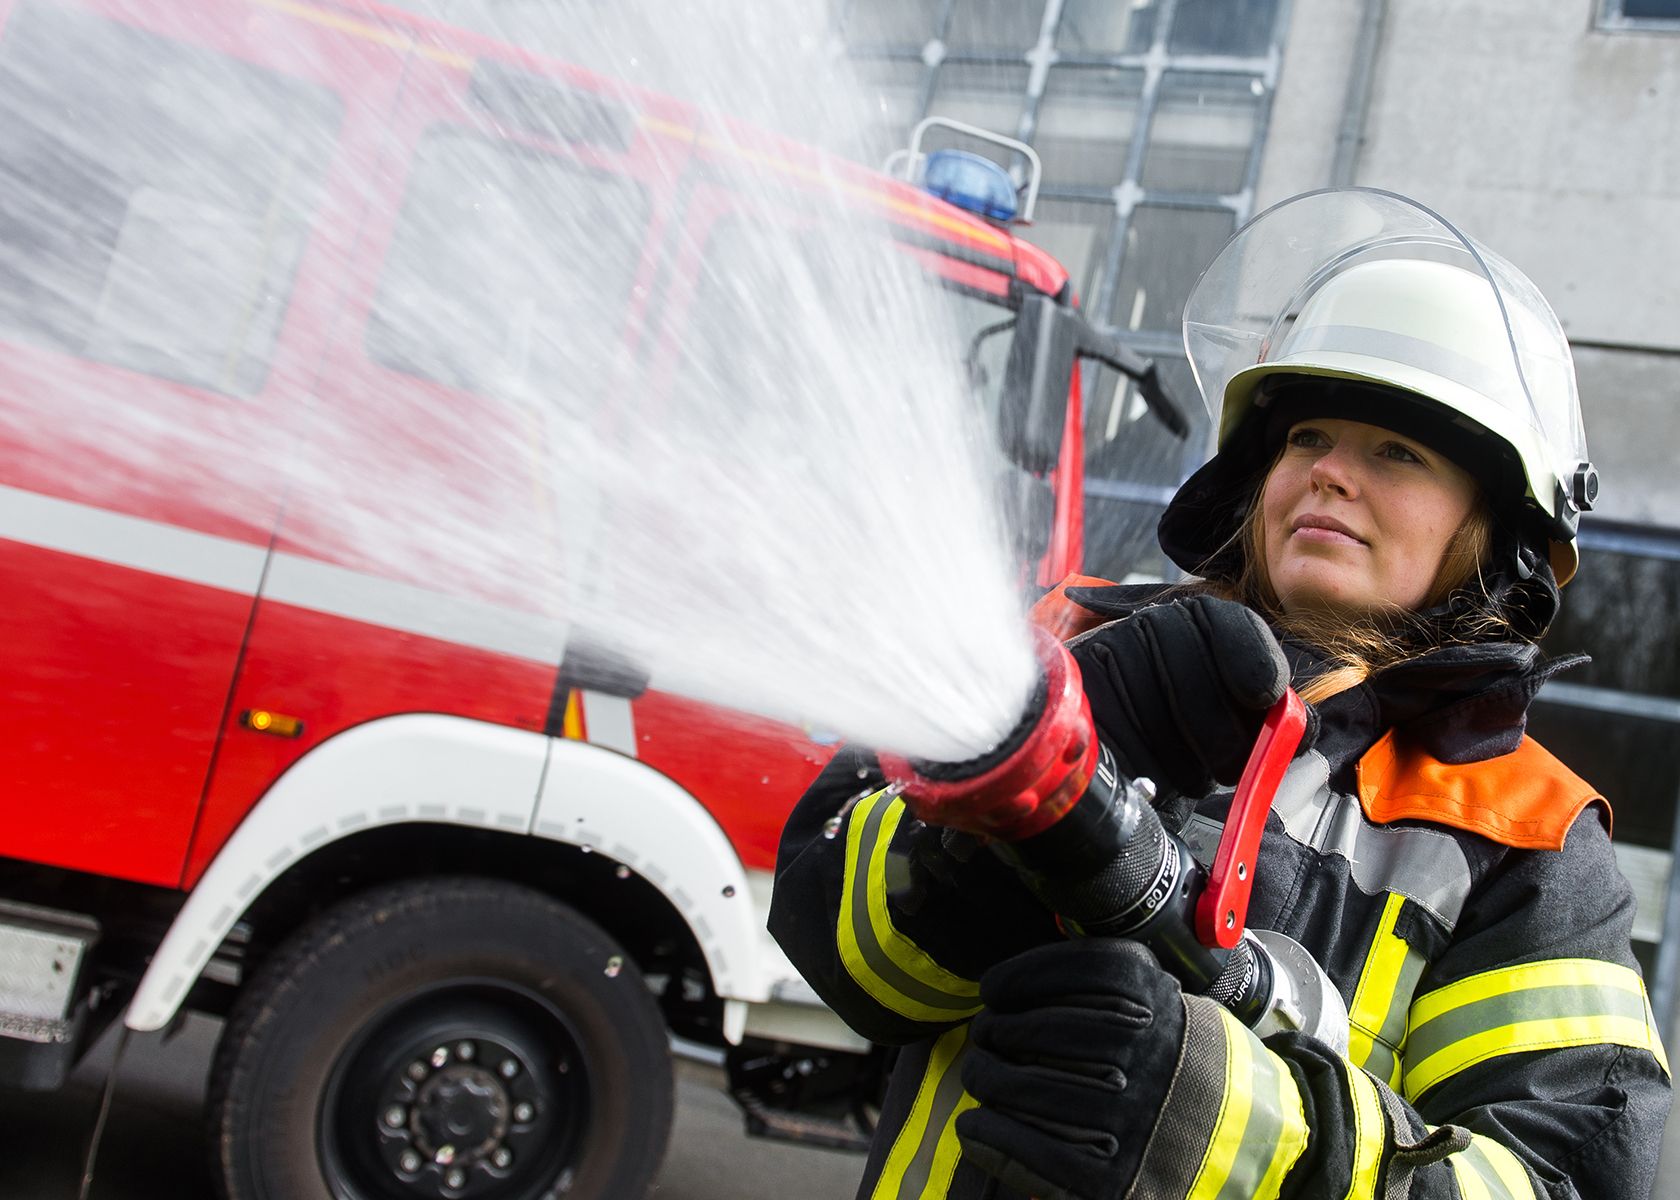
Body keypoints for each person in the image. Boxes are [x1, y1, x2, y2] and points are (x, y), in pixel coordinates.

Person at [768, 188, 1672, 1200]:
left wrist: (1227, 1127)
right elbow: (836, 942)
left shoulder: (1530, 848)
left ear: (1495, 531)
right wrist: (1042, 766)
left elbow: (1564, 1180)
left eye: (1397, 451)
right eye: (1306, 437)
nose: (1330, 472)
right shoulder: (1065, 644)